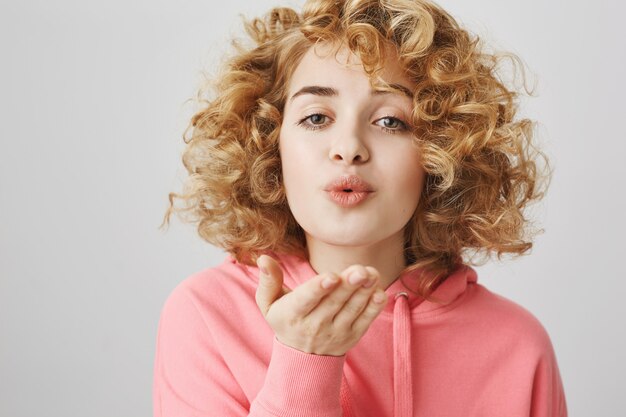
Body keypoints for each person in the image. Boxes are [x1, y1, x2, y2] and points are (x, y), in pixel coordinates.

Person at [154, 0, 568, 416]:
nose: (349, 148)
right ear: (268, 143)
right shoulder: (207, 316)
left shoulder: (518, 346)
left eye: (390, 121)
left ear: (441, 151)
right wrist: (306, 359)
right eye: (316, 118)